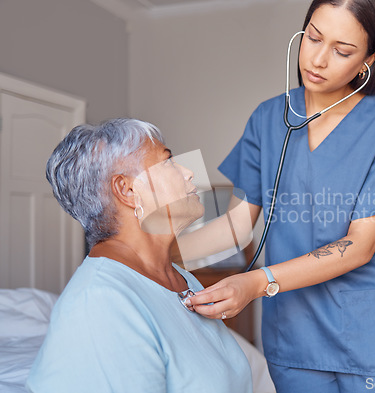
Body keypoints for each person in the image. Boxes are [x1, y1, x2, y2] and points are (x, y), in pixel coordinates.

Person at [185, 0, 375, 392]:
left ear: (368, 58)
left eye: (342, 50)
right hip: (294, 341)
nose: (318, 59)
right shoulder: (268, 119)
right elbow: (236, 228)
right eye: (313, 38)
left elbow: (359, 245)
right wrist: (153, 250)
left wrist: (256, 282)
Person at [26, 119, 252, 393]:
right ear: (128, 190)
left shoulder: (179, 277)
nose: (189, 173)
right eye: (168, 161)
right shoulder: (99, 303)